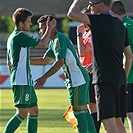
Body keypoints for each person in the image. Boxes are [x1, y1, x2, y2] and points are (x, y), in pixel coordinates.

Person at [67, 0, 133, 132]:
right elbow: (129, 55)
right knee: (118, 121)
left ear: (102, 5)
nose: (90, 7)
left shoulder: (100, 20)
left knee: (107, 121)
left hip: (104, 79)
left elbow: (72, 14)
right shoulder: (120, 25)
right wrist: (124, 77)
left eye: (92, 4)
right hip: (119, 78)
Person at [30, 14, 96, 133]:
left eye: (42, 27)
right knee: (83, 111)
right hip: (79, 77)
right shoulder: (53, 41)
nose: (40, 31)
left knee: (79, 111)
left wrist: (44, 78)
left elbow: (60, 62)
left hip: (76, 78)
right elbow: (44, 60)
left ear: (51, 25)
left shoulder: (59, 39)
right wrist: (25, 60)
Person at [4, 8, 56, 133]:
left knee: (34, 111)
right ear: (21, 24)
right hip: (22, 81)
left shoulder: (12, 37)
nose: (30, 24)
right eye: (28, 21)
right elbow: (43, 43)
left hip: (23, 80)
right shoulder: (21, 36)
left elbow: (8, 62)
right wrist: (49, 28)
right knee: (22, 113)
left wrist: (15, 77)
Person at [77, 7, 101, 133]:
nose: (83, 21)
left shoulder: (93, 32)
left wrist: (79, 34)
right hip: (85, 71)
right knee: (86, 104)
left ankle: (95, 131)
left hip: (92, 71)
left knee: (92, 105)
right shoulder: (86, 32)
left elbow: (83, 51)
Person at [111, 1, 133, 133]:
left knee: (129, 113)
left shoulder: (126, 26)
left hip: (129, 76)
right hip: (127, 75)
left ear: (113, 13)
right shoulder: (128, 24)